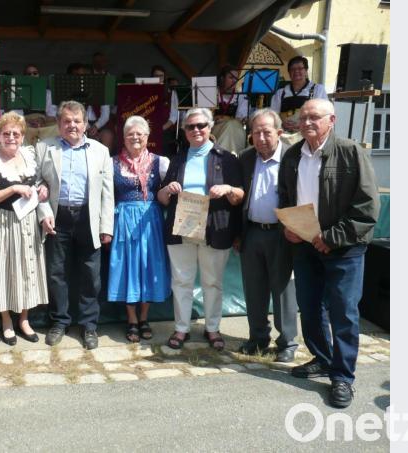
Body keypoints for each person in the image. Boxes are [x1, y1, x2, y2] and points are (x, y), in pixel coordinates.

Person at [278, 99, 380, 408]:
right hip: (306, 246)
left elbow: (367, 208)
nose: (307, 122)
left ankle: (343, 377)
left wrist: (331, 238)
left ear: (331, 119)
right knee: (309, 308)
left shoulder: (351, 152)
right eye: (303, 116)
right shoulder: (293, 155)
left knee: (343, 313)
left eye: (315, 117)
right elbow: (285, 195)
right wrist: (289, 226)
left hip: (344, 248)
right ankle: (322, 359)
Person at [157, 107, 244, 350]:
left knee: (212, 282)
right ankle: (182, 328)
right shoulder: (177, 159)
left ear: (210, 127)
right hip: (181, 228)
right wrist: (167, 190)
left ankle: (212, 328)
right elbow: (162, 198)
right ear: (184, 131)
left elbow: (239, 196)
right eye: (190, 127)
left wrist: (227, 189)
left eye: (201, 126)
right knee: (181, 281)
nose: (196, 130)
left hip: (215, 228)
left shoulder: (227, 159)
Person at [36, 100, 114, 350]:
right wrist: (44, 213)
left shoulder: (100, 151)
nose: (72, 125)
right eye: (67, 121)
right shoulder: (44, 148)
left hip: (88, 218)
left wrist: (106, 226)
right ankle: (59, 321)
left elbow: (107, 192)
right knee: (56, 273)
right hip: (57, 217)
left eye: (77, 121)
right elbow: (37, 185)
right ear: (58, 125)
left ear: (86, 124)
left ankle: (89, 325)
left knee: (91, 274)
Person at [0, 112, 49, 345]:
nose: (11, 137)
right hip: (2, 221)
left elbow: (38, 182)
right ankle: (6, 320)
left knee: (27, 269)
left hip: (27, 221)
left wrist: (43, 187)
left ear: (22, 135)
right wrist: (13, 188)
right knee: (3, 270)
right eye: (6, 133)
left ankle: (24, 319)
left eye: (16, 133)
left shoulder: (29, 154)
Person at [236, 109, 298, 362]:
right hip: (251, 232)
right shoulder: (245, 158)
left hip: (282, 233)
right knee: (254, 288)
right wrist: (237, 234)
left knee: (283, 289)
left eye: (266, 132)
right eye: (256, 133)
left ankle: (287, 343)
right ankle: (258, 337)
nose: (260, 138)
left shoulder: (292, 158)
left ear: (280, 133)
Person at [107, 115, 171, 342]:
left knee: (148, 267)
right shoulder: (112, 163)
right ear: (123, 138)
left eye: (139, 133)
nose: (134, 137)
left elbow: (165, 196)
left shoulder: (160, 162)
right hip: (124, 219)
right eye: (129, 134)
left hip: (150, 220)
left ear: (147, 137)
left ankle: (144, 317)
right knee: (128, 267)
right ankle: (131, 318)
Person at [269, 56, 328, 145]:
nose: (296, 71)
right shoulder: (280, 93)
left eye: (300, 68)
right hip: (284, 137)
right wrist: (282, 124)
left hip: (308, 136)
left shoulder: (317, 90)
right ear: (289, 73)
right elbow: (273, 115)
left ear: (306, 71)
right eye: (292, 69)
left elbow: (323, 114)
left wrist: (304, 125)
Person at [211, 64, 250, 154]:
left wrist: (226, 119)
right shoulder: (213, 93)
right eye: (230, 77)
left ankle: (219, 155)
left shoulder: (241, 96)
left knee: (231, 125)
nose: (234, 81)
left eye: (236, 78)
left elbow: (241, 119)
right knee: (229, 126)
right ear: (222, 78)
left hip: (235, 130)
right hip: (215, 129)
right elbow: (206, 116)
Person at [151, 65, 180, 156]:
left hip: (165, 129)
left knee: (165, 145)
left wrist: (160, 129)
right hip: (148, 128)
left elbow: (173, 117)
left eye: (161, 76)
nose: (158, 78)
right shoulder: (146, 91)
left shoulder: (172, 93)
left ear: (164, 77)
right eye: (156, 76)